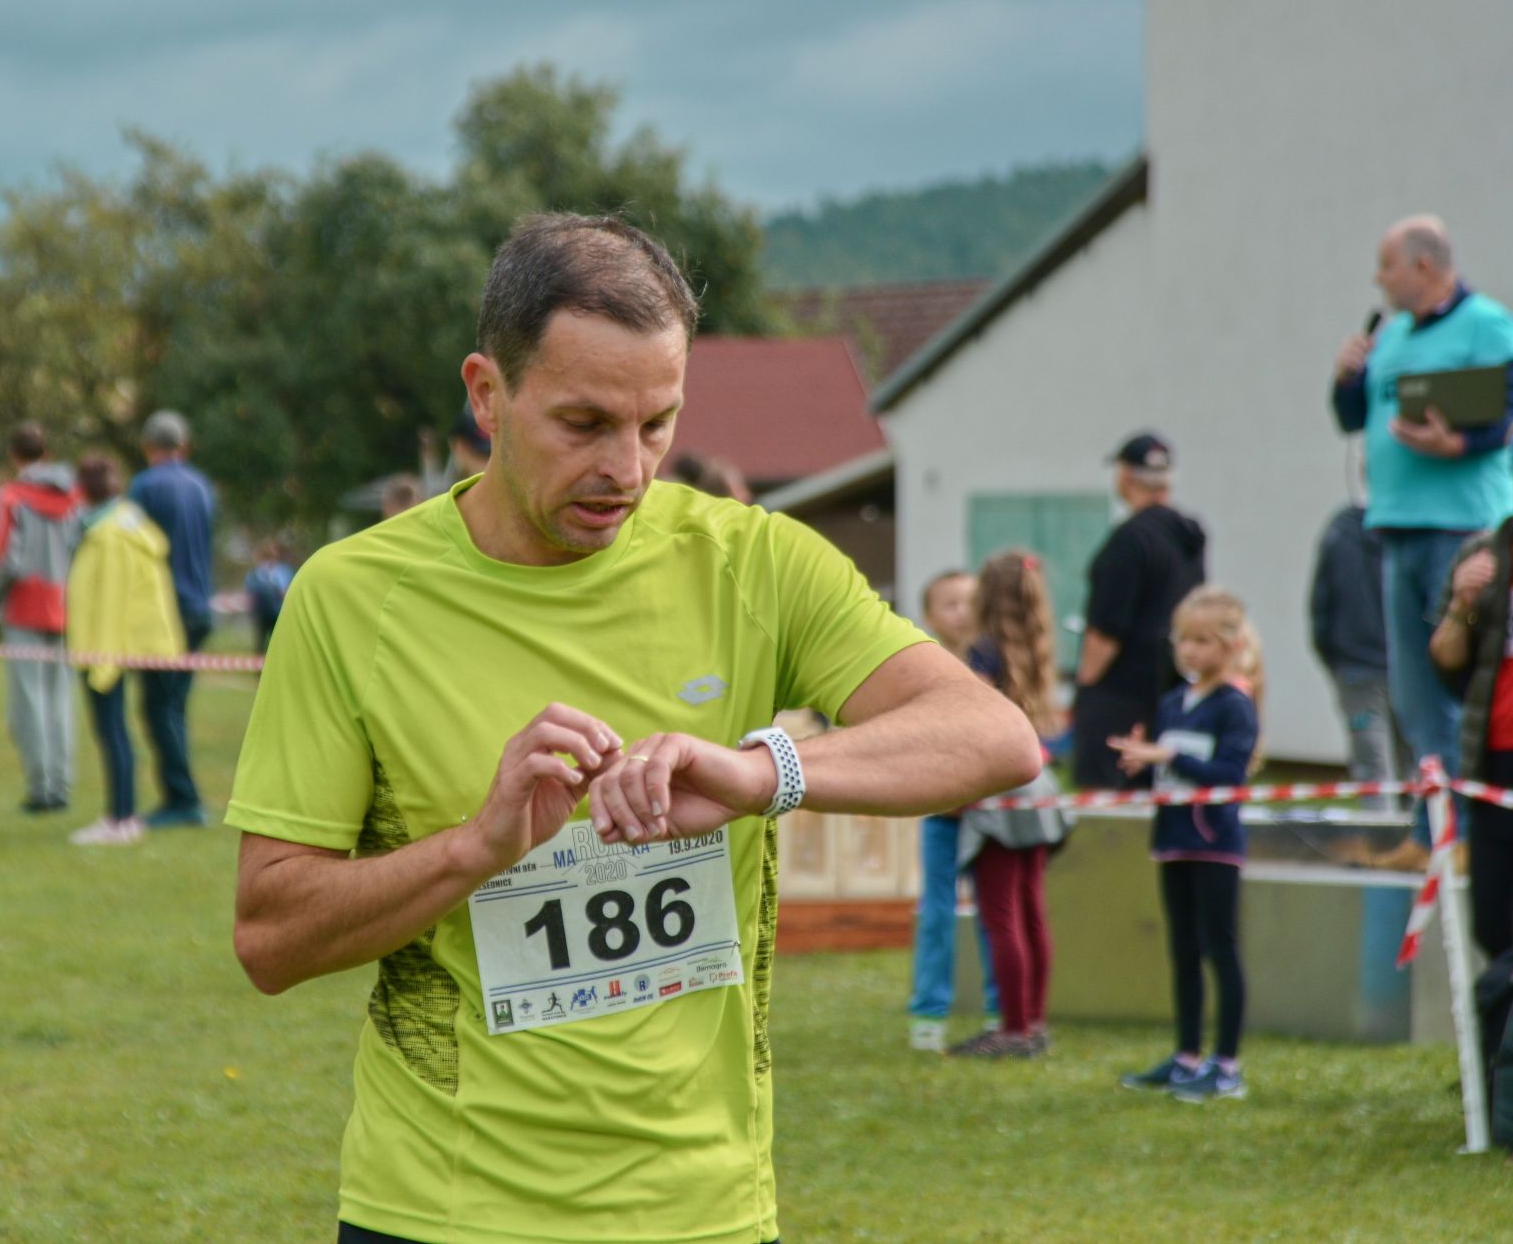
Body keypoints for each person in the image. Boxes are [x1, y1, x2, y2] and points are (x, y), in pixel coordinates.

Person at [226, 213, 1041, 1244]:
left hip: (700, 1211)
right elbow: (270, 937)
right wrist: (476, 847)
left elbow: (993, 736)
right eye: (584, 423)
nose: (628, 467)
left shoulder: (751, 562)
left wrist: (762, 772)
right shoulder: (351, 598)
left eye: (657, 423)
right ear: (486, 394)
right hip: (441, 1211)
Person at [1333, 215, 1513, 854]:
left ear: (1424, 266)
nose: (1378, 279)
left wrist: (1457, 443)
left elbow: (1505, 410)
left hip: (1461, 529)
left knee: (1456, 682)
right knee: (1412, 695)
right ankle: (1431, 830)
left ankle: (1465, 832)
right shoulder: (1391, 335)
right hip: (1397, 527)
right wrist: (1346, 380)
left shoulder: (1486, 325)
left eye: (1387, 266)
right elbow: (1353, 417)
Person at [1112, 587, 1263, 1104]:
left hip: (1215, 844)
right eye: (1183, 640)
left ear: (1231, 645)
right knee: (1183, 951)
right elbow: (1166, 770)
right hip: (1172, 840)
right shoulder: (1172, 703)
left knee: (1221, 948)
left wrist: (1168, 755)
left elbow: (1229, 774)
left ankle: (1226, 1065)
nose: (1190, 651)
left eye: (1202, 640)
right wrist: (1141, 761)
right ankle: (1186, 1057)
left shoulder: (1234, 705)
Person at [951, 551, 1072, 1059]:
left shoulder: (982, 652)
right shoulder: (1039, 652)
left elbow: (972, 722)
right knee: (1031, 911)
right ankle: (1034, 1023)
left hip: (999, 791)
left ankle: (1013, 1030)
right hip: (1038, 786)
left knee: (1001, 916)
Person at [1072, 432, 1207, 787]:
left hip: (1120, 694)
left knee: (1107, 798)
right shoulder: (1188, 537)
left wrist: (1084, 689)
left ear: (1126, 476)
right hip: (1169, 689)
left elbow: (1106, 631)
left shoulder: (1130, 541)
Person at [65, 454, 184, 846]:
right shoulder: (126, 522)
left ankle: (120, 818)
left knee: (111, 728)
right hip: (137, 641)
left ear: (83, 491)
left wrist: (103, 659)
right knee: (121, 726)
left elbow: (111, 600)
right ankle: (122, 815)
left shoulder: (110, 535)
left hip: (110, 645)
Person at [905, 568, 1001, 1052]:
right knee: (936, 913)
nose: (962, 612)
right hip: (940, 809)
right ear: (929, 616)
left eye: (969, 601)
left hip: (990, 812)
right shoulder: (924, 665)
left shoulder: (994, 660)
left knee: (994, 912)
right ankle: (928, 1014)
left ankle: (1001, 1010)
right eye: (950, 603)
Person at [1426, 525, 1513, 962]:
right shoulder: (1485, 552)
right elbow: (1446, 663)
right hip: (1493, 764)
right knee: (1492, 924)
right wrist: (1462, 605)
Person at [0, 422, 82, 815]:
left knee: (29, 701)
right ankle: (61, 783)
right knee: (60, 700)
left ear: (14, 455)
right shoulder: (75, 496)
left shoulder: (10, 497)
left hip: (24, 606)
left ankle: (40, 787)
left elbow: (7, 556)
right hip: (65, 605)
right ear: (47, 453)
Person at [129, 409, 216, 828]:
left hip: (165, 610)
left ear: (148, 447)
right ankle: (182, 795)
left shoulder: (144, 486)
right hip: (199, 606)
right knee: (175, 705)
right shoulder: (202, 486)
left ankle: (182, 799)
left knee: (159, 706)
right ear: (184, 446)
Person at [1310, 499, 1408, 783]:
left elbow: (1321, 604)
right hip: (1404, 667)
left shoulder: (1339, 532)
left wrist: (1336, 658)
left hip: (1356, 668)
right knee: (1414, 764)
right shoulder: (1415, 532)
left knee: (1370, 765)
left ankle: (1381, 816)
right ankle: (1416, 814)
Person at [243, 535, 295, 655]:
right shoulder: (256, 573)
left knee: (276, 642)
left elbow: (286, 591)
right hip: (262, 614)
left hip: (277, 612)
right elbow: (250, 593)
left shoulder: (283, 571)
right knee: (260, 643)